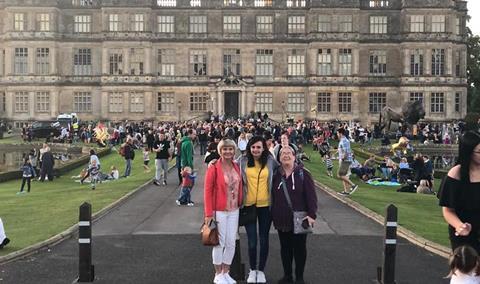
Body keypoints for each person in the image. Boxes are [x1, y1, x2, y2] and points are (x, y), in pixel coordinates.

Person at [271, 146, 318, 284]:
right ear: (279, 158)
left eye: (288, 153)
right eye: (282, 153)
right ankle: (287, 275)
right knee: (285, 248)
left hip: (300, 218)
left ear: (294, 156)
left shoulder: (303, 174)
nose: (285, 155)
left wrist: (312, 215)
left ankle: (299, 277)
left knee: (299, 249)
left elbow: (312, 197)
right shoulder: (276, 175)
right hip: (281, 218)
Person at [238, 136, 278, 283]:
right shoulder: (242, 161)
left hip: (265, 206)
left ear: (263, 148)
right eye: (253, 147)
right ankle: (252, 270)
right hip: (249, 206)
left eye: (258, 147)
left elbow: (283, 169)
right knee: (252, 241)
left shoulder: (270, 160)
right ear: (249, 148)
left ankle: (261, 270)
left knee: (264, 239)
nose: (256, 150)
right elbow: (227, 165)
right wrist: (213, 161)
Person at [204, 138, 243, 284]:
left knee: (231, 242)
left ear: (234, 151)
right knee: (219, 243)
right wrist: (208, 214)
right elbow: (207, 191)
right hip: (218, 210)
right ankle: (217, 273)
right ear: (220, 151)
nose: (228, 152)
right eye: (225, 149)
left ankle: (226, 272)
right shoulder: (213, 167)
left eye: (230, 149)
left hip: (234, 209)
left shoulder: (236, 165)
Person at [439, 131, 480, 254]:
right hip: (463, 233)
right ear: (469, 152)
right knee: (467, 270)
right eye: (479, 152)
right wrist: (460, 226)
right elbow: (447, 210)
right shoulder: (456, 174)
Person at [336, 128, 358, 195]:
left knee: (340, 175)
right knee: (344, 176)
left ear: (340, 133)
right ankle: (346, 191)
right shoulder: (343, 140)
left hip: (345, 161)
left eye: (337, 133)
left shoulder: (344, 141)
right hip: (345, 160)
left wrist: (342, 159)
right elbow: (342, 150)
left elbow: (346, 152)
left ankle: (353, 185)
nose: (337, 135)